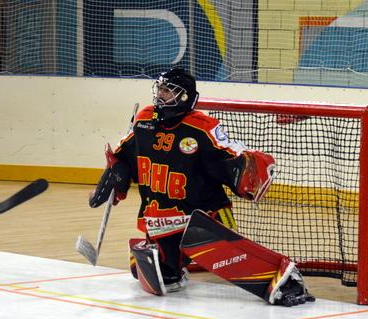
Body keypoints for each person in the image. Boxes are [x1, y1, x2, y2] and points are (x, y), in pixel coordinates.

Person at [89, 67, 313, 306]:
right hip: (161, 219)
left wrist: (249, 168)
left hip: (203, 213)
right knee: (162, 276)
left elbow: (231, 154)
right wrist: (115, 176)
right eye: (160, 89)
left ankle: (287, 278)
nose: (160, 95)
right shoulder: (145, 120)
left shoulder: (202, 126)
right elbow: (124, 156)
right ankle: (172, 260)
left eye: (168, 91)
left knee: (221, 254)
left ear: (184, 96)